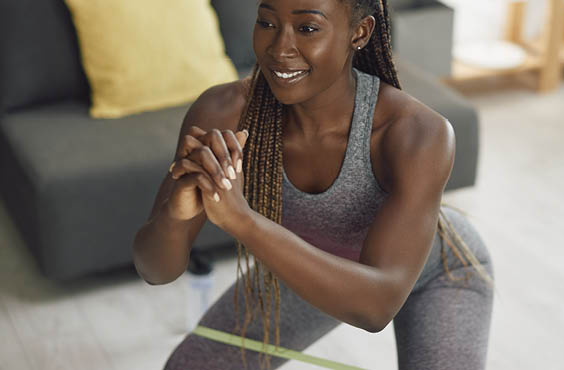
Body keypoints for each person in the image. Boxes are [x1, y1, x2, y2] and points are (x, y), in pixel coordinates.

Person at [132, 0, 495, 369]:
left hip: (439, 273)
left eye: (307, 28)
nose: (279, 48)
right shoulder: (223, 113)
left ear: (360, 33)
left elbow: (375, 307)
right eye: (267, 23)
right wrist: (174, 215)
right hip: (313, 259)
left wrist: (241, 220)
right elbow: (155, 270)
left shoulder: (415, 133)